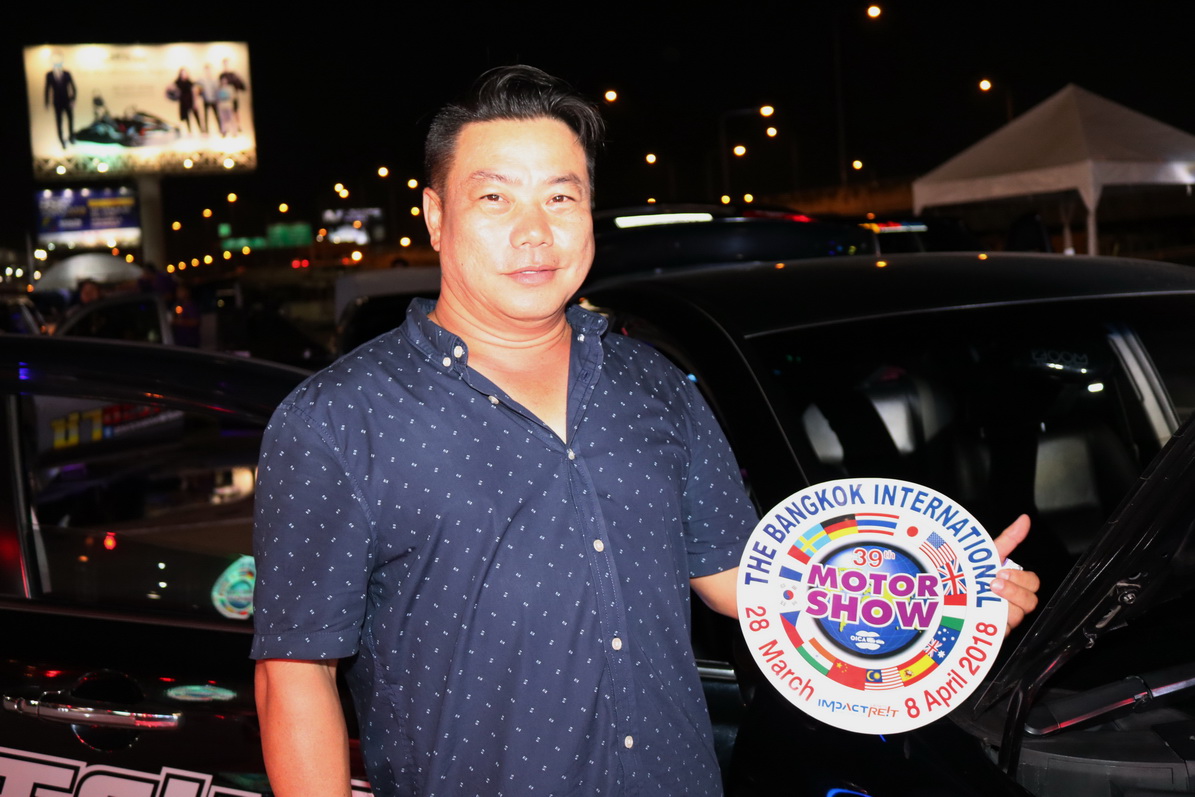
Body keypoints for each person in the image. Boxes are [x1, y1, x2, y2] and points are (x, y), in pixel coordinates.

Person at [251, 66, 1040, 797]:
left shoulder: (652, 385)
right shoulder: (339, 419)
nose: (535, 231)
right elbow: (293, 676)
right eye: (495, 198)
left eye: (560, 198)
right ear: (434, 215)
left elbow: (743, 580)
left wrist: (943, 600)